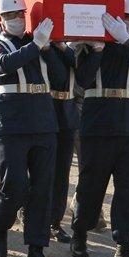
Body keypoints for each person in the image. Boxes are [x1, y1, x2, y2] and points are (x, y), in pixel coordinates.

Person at [70, 0, 129, 257]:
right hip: (98, 122)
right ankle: (80, 232)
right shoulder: (93, 45)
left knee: (127, 191)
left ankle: (123, 247)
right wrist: (95, 51)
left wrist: (126, 40)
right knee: (91, 185)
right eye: (126, 18)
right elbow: (82, 81)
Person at [0, 0, 67, 257]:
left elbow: (61, 79)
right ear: (1, 19)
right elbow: (5, 66)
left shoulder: (38, 43)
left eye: (20, 15)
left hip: (43, 121)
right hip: (11, 123)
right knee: (15, 185)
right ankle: (0, 225)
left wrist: (50, 49)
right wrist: (36, 46)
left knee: (43, 188)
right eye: (10, 16)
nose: (16, 20)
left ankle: (36, 250)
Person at [47, 38, 79, 245]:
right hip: (46, 108)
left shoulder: (74, 49)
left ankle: (55, 222)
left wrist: (64, 48)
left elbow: (83, 73)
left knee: (62, 173)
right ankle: (30, 212)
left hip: (68, 111)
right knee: (40, 169)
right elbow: (58, 75)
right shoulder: (42, 45)